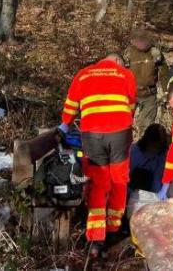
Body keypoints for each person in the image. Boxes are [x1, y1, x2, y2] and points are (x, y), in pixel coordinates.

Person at [59, 53, 137, 257]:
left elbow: (70, 106)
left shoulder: (83, 74)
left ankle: (95, 239)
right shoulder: (124, 73)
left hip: (92, 134)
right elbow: (131, 104)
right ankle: (113, 229)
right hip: (120, 133)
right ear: (118, 62)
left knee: (98, 183)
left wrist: (65, 124)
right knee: (119, 180)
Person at [124, 29, 169, 133]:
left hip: (149, 94)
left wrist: (167, 90)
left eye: (143, 40)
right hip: (131, 94)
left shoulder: (155, 53)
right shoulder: (128, 54)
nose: (141, 43)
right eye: (138, 40)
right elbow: (121, 73)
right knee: (125, 124)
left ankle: (142, 142)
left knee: (146, 126)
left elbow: (164, 73)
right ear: (133, 41)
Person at [128, 123, 169, 194]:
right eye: (153, 146)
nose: (154, 150)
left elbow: (157, 180)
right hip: (130, 189)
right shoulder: (134, 151)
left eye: (158, 147)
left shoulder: (162, 155)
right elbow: (126, 175)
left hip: (149, 193)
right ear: (147, 141)